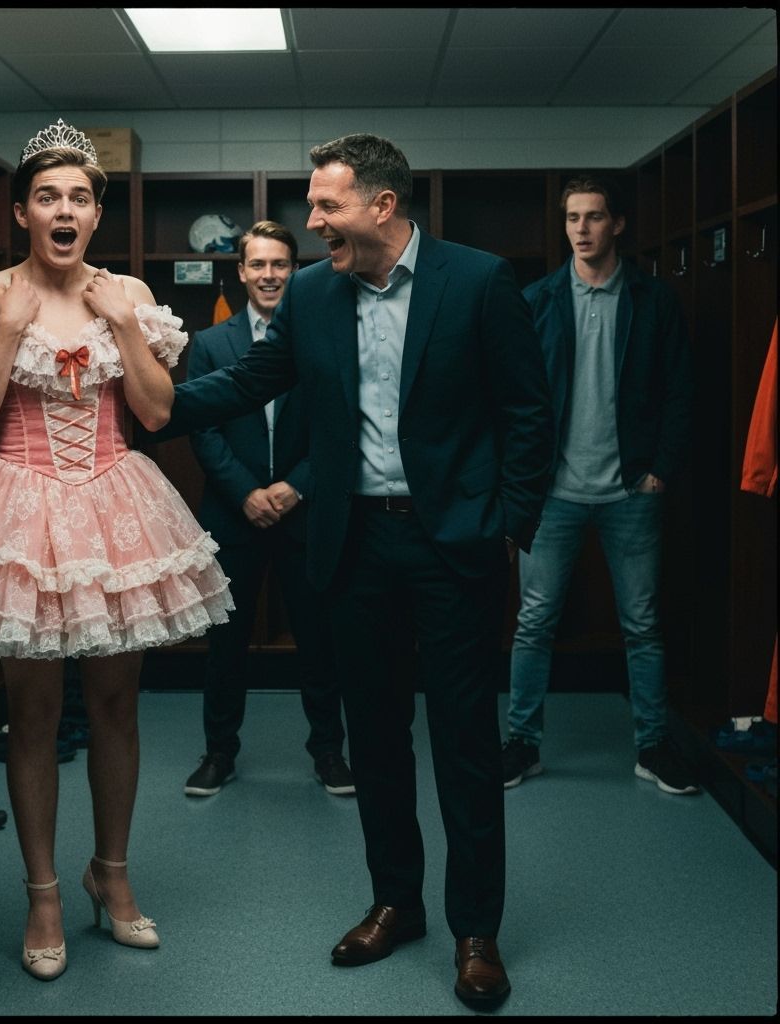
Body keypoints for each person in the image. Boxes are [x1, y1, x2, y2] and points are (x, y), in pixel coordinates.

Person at [152, 133, 553, 1010]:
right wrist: (147, 409)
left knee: (463, 744)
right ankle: (396, 903)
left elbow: (528, 411)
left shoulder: (478, 280)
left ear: (383, 204)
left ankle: (475, 931)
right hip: (353, 546)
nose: (314, 221)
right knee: (374, 737)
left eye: (327, 204)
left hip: (453, 546)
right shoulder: (310, 294)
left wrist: (507, 527)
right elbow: (252, 379)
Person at [0, 119, 233, 981]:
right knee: (34, 714)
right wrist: (7, 330)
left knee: (118, 708)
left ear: (96, 213)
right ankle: (43, 891)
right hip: (18, 507)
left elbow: (156, 415)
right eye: (49, 195)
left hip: (115, 503)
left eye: (80, 196)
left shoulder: (126, 294)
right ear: (22, 211)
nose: (65, 208)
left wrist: (123, 323)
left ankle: (110, 877)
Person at [502, 174, 698, 796]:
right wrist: (521, 480)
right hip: (553, 492)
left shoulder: (652, 299)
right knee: (534, 621)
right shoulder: (538, 299)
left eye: (593, 217)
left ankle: (653, 746)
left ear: (617, 224)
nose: (581, 230)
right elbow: (515, 400)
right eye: (571, 219)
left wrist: (659, 468)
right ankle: (522, 744)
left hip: (630, 492)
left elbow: (679, 391)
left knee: (641, 624)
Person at [182, 220, 353, 799]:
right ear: (241, 272)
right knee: (225, 644)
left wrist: (296, 486)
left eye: (280, 264)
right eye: (258, 265)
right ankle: (219, 753)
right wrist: (246, 493)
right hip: (236, 514)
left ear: (296, 270)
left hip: (306, 512)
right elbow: (203, 429)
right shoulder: (210, 344)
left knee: (319, 640)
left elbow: (339, 423)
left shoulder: (324, 333)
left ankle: (329, 751)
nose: (269, 275)